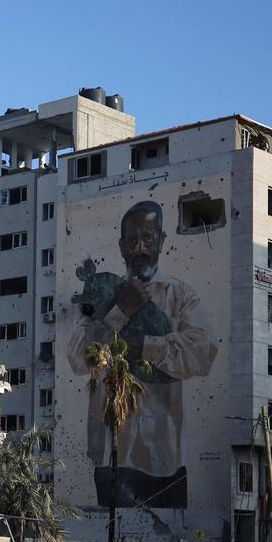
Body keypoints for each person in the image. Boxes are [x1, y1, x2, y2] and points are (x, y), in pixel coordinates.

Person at [67, 200, 219, 509]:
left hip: (165, 459)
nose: (140, 248)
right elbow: (79, 356)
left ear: (161, 241)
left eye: (148, 238)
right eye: (133, 240)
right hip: (112, 456)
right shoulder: (101, 293)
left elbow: (204, 352)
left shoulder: (180, 294)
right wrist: (120, 311)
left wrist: (143, 346)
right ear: (122, 246)